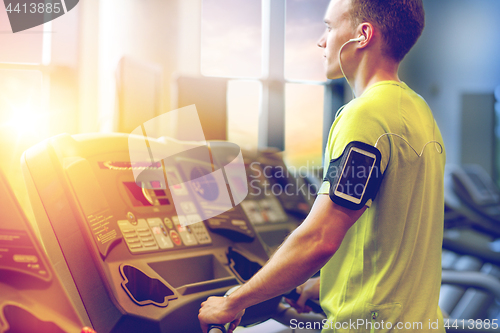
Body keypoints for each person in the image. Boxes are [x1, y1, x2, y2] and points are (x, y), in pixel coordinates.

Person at [199, 0, 446, 332]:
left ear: (363, 35)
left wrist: (234, 301)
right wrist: (328, 285)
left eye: (329, 27)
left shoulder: (366, 117)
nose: (321, 40)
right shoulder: (420, 112)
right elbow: (395, 235)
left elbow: (320, 239)